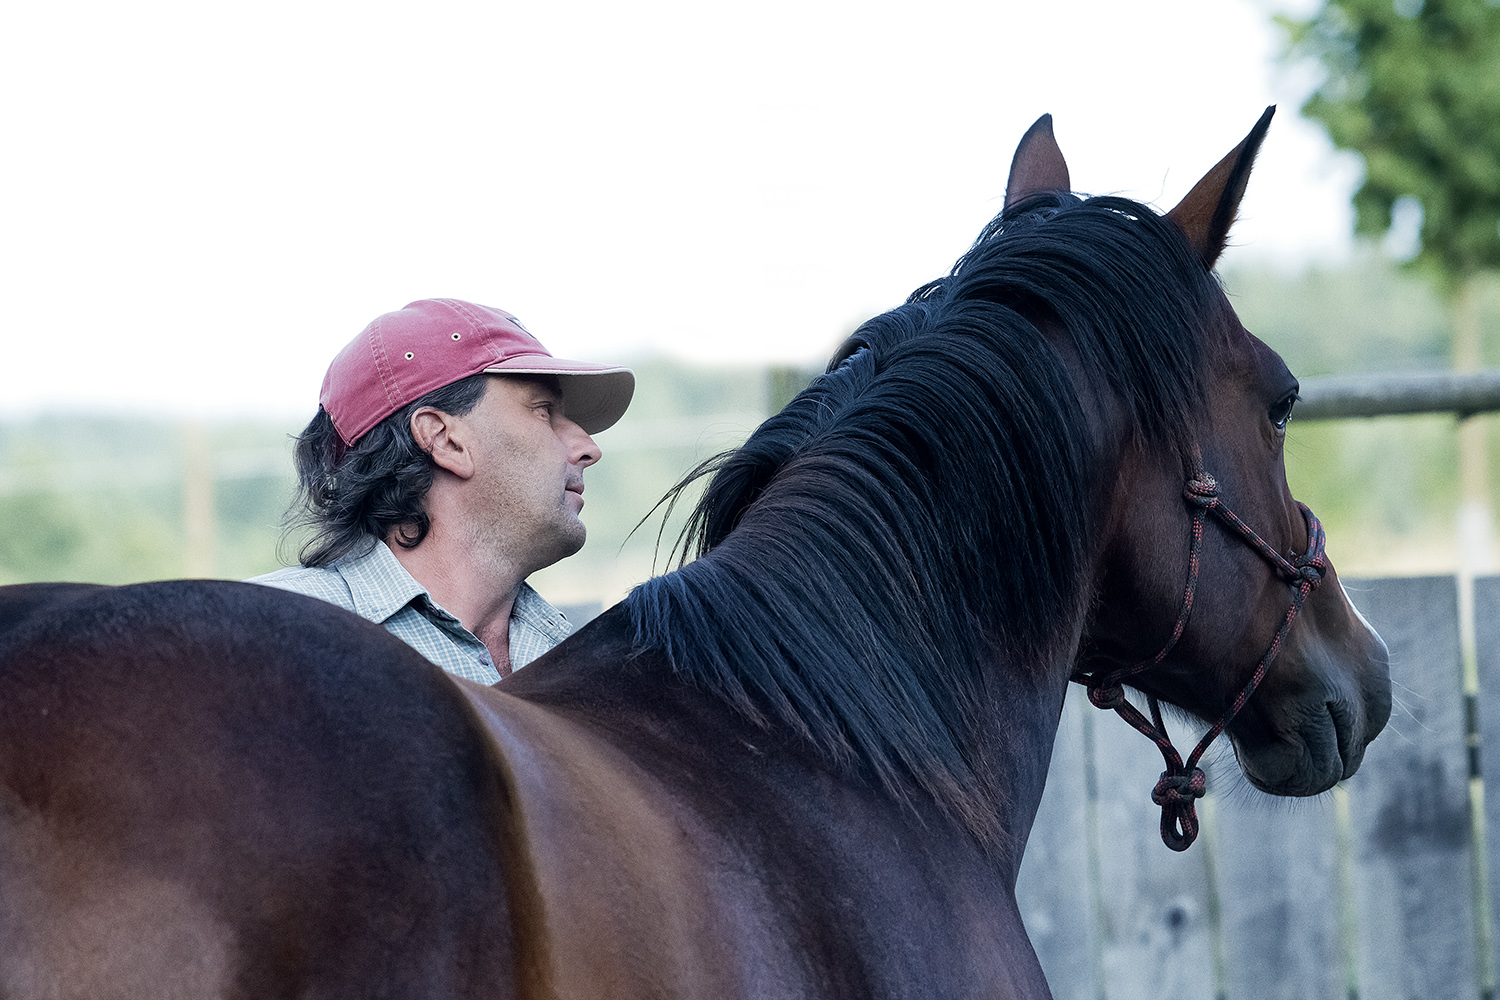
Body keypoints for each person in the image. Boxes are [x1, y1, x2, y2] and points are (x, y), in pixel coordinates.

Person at [250, 298, 634, 684]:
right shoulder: (264, 635)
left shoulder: (586, 664)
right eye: (543, 411)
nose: (589, 448)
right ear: (444, 440)